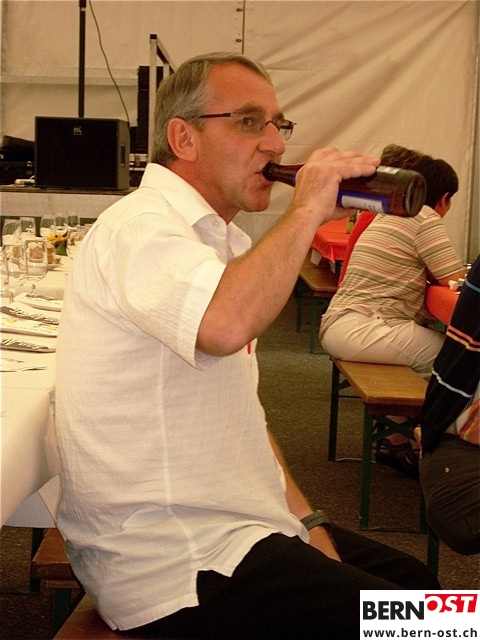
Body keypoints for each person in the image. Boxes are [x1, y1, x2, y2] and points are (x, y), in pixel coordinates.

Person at [54, 52, 439, 640]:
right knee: (433, 625)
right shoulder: (141, 227)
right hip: (174, 560)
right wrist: (307, 208)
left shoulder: (221, 242)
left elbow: (245, 419)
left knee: (421, 590)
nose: (275, 145)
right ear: (183, 138)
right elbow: (224, 325)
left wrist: (309, 521)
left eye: (278, 125)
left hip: (240, 527)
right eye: (248, 122)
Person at [319, 145, 467, 476]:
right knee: (455, 359)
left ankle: (397, 440)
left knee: (423, 354)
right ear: (444, 198)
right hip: (363, 328)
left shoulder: (392, 215)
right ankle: (438, 449)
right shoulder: (424, 218)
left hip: (342, 324)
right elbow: (454, 278)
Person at [418, 255, 480, 555]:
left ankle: (405, 431)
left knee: (445, 352)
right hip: (461, 456)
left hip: (444, 425)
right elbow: (448, 272)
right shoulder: (421, 226)